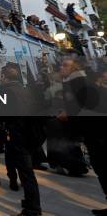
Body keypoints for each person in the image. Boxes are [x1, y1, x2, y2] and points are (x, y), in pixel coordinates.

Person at [59, 58, 107, 216]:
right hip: (94, 134)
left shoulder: (78, 83)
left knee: (103, 167)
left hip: (96, 135)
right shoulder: (80, 82)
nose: (61, 67)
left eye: (66, 65)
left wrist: (69, 115)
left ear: (74, 68)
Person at [1, 64, 43, 216]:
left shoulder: (6, 91)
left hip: (17, 135)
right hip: (28, 135)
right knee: (26, 171)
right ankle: (30, 203)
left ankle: (33, 209)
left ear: (4, 77)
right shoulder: (26, 90)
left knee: (26, 173)